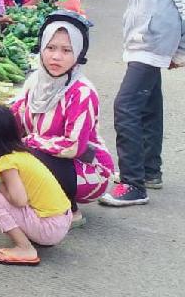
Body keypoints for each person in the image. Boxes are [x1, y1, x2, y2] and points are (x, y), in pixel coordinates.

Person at [100, 0, 185, 206]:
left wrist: (181, 49)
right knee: (149, 105)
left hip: (157, 39)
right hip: (138, 35)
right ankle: (150, 170)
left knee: (126, 106)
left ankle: (134, 185)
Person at [10, 12, 114, 225]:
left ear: (79, 54)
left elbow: (73, 147)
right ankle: (43, 200)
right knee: (10, 154)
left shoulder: (81, 92)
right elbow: (15, 119)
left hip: (87, 169)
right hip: (49, 156)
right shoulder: (36, 81)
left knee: (23, 157)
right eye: (50, 48)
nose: (56, 57)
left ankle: (68, 209)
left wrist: (26, 143)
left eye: (67, 50)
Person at [0, 105, 72, 266]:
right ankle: (31, 237)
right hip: (62, 219)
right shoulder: (21, 154)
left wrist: (1, 186)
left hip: (49, 229)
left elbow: (19, 201)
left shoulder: (7, 163)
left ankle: (25, 248)